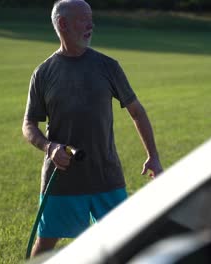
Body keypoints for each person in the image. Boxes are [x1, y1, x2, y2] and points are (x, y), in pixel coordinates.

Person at [22, 0, 163, 257]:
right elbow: (29, 124)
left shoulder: (108, 66)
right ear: (62, 24)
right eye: (83, 19)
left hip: (106, 176)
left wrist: (152, 155)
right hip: (62, 179)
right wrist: (50, 147)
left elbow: (137, 112)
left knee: (126, 243)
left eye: (91, 18)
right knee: (44, 246)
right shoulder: (43, 73)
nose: (91, 24)